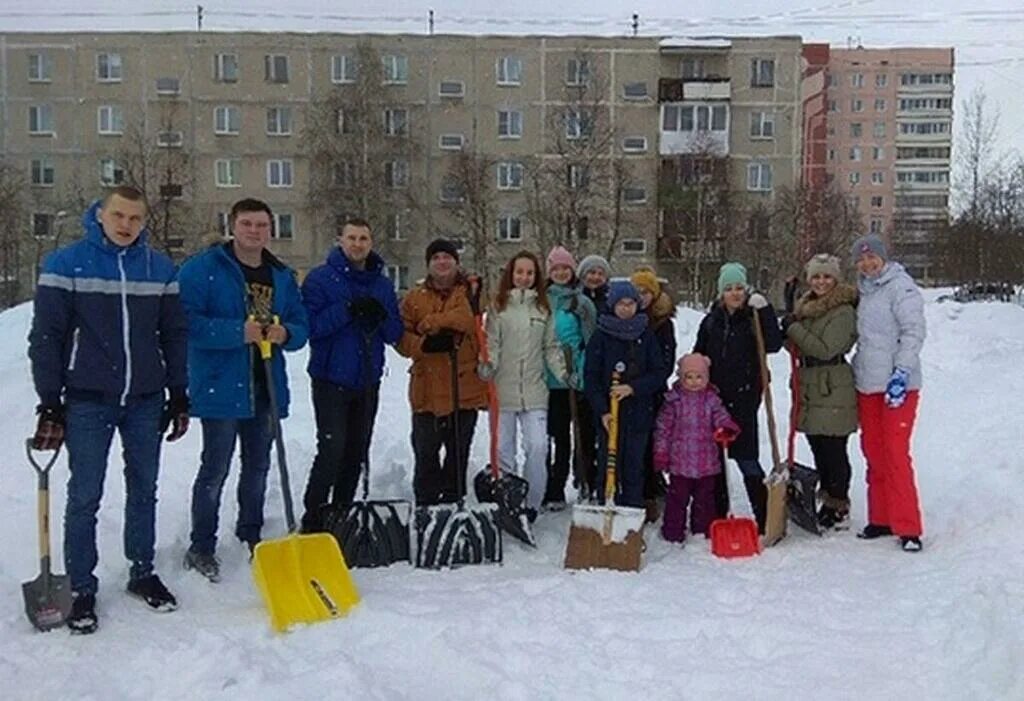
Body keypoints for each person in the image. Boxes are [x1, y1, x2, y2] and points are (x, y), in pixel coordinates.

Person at [28, 186, 189, 634]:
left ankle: (142, 572)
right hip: (87, 400)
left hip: (144, 398)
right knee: (85, 495)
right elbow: (46, 337)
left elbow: (174, 333)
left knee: (144, 488)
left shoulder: (159, 268)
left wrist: (178, 392)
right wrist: (50, 400)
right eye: (118, 215)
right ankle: (81, 586)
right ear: (99, 215)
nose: (126, 225)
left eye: (136, 218)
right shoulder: (67, 264)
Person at [178, 198, 309, 582]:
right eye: (247, 224)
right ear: (232, 226)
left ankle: (250, 532)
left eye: (262, 225)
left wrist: (288, 334)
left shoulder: (281, 275)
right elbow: (186, 321)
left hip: (265, 383)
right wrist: (237, 332)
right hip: (221, 385)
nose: (255, 231)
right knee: (214, 469)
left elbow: (300, 324)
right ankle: (202, 543)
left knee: (258, 467)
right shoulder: (204, 269)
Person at [298, 218, 403, 532]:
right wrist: (346, 309)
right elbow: (311, 328)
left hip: (367, 378)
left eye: (364, 238)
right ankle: (314, 515)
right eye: (352, 238)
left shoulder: (381, 283)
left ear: (371, 243)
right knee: (332, 447)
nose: (358, 244)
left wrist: (379, 316)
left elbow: (394, 332)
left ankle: (341, 512)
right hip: (331, 377)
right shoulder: (320, 279)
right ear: (340, 241)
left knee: (357, 449)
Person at [849, 235, 927, 552]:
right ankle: (881, 517)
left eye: (872, 258)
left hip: (898, 386)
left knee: (895, 453)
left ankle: (908, 527)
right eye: (862, 259)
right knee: (873, 451)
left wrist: (902, 371)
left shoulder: (901, 287)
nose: (868, 264)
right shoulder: (865, 292)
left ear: (883, 259)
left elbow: (914, 331)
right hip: (868, 384)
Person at [693, 262, 783, 532]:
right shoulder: (711, 322)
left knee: (746, 456)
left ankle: (764, 515)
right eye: (729, 288)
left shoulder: (752, 318)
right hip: (715, 399)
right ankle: (718, 514)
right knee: (716, 458)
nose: (735, 293)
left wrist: (765, 310)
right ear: (721, 292)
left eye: (739, 288)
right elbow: (699, 354)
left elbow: (774, 344)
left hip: (745, 397)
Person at [397, 239, 487, 505]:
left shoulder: (469, 291)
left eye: (447, 257)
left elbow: (468, 320)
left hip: (464, 388)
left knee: (457, 455)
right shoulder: (415, 298)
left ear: (456, 262)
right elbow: (401, 338)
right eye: (435, 257)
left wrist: (432, 322)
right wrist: (423, 345)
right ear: (428, 264)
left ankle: (452, 505)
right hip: (427, 390)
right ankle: (426, 507)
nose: (442, 262)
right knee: (425, 454)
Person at [479, 251, 566, 519]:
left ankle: (531, 503)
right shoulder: (498, 307)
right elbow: (491, 342)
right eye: (520, 272)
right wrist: (488, 364)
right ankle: (508, 497)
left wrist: (563, 372)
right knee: (503, 449)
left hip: (534, 390)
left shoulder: (543, 308)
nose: (524, 278)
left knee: (538, 447)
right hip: (502, 390)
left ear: (536, 277)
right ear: (511, 274)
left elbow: (550, 346)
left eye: (530, 273)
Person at [782, 253, 859, 530]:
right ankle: (826, 496)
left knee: (833, 448)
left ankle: (838, 504)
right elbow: (801, 345)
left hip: (832, 384)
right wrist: (787, 335)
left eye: (827, 276)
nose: (821, 281)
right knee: (818, 445)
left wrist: (793, 328)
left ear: (836, 279)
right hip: (812, 383)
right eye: (816, 276)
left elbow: (826, 348)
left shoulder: (843, 311)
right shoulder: (808, 308)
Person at [584, 281, 666, 508]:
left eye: (630, 303)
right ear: (612, 305)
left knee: (634, 465)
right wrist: (602, 411)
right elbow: (591, 377)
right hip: (610, 415)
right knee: (607, 463)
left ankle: (631, 511)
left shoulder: (645, 334)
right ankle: (606, 505)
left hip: (639, 412)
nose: (626, 308)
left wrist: (633, 388)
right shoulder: (600, 336)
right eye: (621, 303)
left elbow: (658, 372)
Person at [653, 354, 740, 544]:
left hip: (706, 462)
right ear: (681, 378)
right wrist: (661, 453)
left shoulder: (712, 400)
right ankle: (672, 531)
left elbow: (721, 417)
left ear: (706, 378)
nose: (694, 382)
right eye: (689, 377)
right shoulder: (673, 401)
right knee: (677, 499)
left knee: (705, 500)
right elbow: (663, 429)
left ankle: (701, 530)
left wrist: (726, 427)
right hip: (680, 462)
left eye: (699, 377)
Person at [543, 246, 597, 507]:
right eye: (556, 269)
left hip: (576, 381)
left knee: (583, 436)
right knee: (556, 438)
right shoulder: (540, 300)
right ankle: (553, 489)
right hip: (548, 382)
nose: (561, 273)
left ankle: (586, 483)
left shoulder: (581, 302)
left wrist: (580, 372)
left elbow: (591, 342)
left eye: (565, 268)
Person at [631, 266, 676, 522]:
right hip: (628, 393)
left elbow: (665, 364)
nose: (642, 296)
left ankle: (650, 492)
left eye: (647, 291)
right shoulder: (624, 317)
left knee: (651, 444)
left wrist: (643, 382)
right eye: (637, 291)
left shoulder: (662, 324)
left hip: (652, 393)